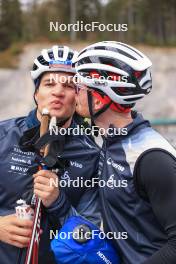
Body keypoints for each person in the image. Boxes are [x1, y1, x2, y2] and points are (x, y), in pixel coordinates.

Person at [74, 41, 176, 264]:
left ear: (99, 99)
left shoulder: (151, 157)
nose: (74, 94)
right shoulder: (111, 143)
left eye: (80, 87)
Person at [0, 45, 100, 264]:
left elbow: (90, 238)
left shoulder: (91, 156)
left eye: (68, 85)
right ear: (36, 93)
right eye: (49, 83)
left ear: (78, 96)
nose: (58, 91)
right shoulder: (3, 135)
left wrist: (58, 202)